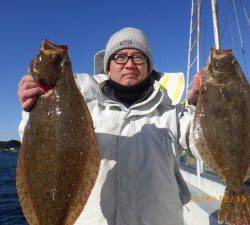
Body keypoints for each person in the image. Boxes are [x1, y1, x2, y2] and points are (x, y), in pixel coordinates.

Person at [18, 27, 203, 225]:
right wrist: (31, 106)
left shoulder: (171, 113)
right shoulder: (84, 107)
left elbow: (201, 144)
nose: (129, 64)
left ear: (149, 67)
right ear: (107, 67)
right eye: (120, 57)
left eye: (138, 57)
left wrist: (203, 108)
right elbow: (36, 145)